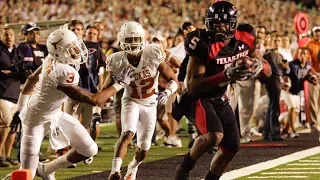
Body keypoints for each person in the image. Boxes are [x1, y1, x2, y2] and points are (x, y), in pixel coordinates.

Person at [2, 28, 117, 180]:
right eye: (71, 48)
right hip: (35, 119)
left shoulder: (51, 59)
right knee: (26, 174)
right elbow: (94, 99)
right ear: (59, 52)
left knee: (89, 149)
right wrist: (120, 84)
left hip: (55, 114)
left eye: (75, 45)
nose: (77, 50)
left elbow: (31, 81)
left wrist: (19, 109)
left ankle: (46, 169)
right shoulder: (62, 71)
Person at [173, 1, 271, 180]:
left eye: (224, 23)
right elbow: (193, 86)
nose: (219, 27)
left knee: (231, 147)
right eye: (215, 23)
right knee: (214, 136)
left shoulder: (246, 36)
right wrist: (225, 75)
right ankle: (183, 169)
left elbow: (267, 69)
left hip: (219, 96)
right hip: (197, 97)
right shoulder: (201, 42)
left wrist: (258, 67)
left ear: (233, 23)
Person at [105, 21, 178, 180]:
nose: (132, 44)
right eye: (129, 40)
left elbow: (173, 79)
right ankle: (115, 171)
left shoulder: (153, 52)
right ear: (121, 40)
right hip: (130, 100)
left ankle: (133, 167)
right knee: (127, 134)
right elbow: (105, 89)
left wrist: (168, 91)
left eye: (135, 39)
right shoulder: (116, 60)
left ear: (142, 39)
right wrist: (105, 99)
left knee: (144, 147)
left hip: (150, 103)